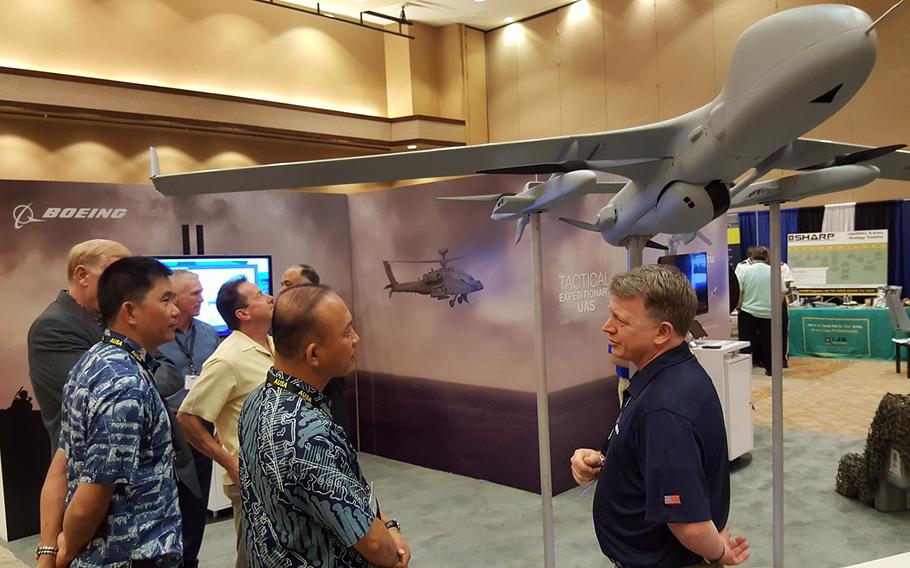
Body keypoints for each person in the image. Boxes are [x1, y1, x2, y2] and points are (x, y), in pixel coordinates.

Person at [570, 265, 749, 568]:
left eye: (620, 320)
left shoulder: (664, 408)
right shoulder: (671, 376)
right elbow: (657, 460)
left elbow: (689, 525)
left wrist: (719, 556)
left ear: (662, 332)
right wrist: (605, 463)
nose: (606, 327)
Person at [239, 284, 410, 568]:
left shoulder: (258, 399)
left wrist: (386, 522)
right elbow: (375, 544)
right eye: (347, 332)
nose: (356, 339)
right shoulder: (308, 435)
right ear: (314, 354)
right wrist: (392, 539)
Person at [36, 256, 182, 568]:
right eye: (166, 299)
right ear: (130, 311)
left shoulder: (93, 360)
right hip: (129, 556)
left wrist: (51, 550)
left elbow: (61, 464)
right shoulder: (124, 383)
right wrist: (65, 549)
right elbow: (92, 496)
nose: (176, 311)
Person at [177, 276, 274, 568]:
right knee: (253, 557)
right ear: (242, 314)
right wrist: (229, 461)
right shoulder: (226, 360)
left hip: (282, 475)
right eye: (259, 295)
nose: (269, 297)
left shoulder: (273, 345)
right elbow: (187, 418)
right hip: (252, 480)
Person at [28, 238, 131, 453]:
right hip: (89, 463)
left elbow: (170, 372)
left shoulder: (111, 318)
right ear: (82, 275)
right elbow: (106, 393)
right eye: (113, 276)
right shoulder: (53, 327)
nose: (123, 287)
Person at [154, 270, 220, 568]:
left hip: (199, 430)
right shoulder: (154, 338)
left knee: (196, 507)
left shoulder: (209, 334)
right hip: (164, 437)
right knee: (166, 509)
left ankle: (189, 561)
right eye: (195, 293)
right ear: (174, 298)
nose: (202, 298)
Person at [737, 247, 787, 375]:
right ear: (767, 258)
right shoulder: (775, 272)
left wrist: (739, 306)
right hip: (769, 313)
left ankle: (744, 370)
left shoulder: (745, 271)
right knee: (769, 343)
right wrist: (775, 307)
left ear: (752, 258)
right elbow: (782, 293)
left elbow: (740, 292)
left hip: (748, 312)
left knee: (745, 343)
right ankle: (771, 370)